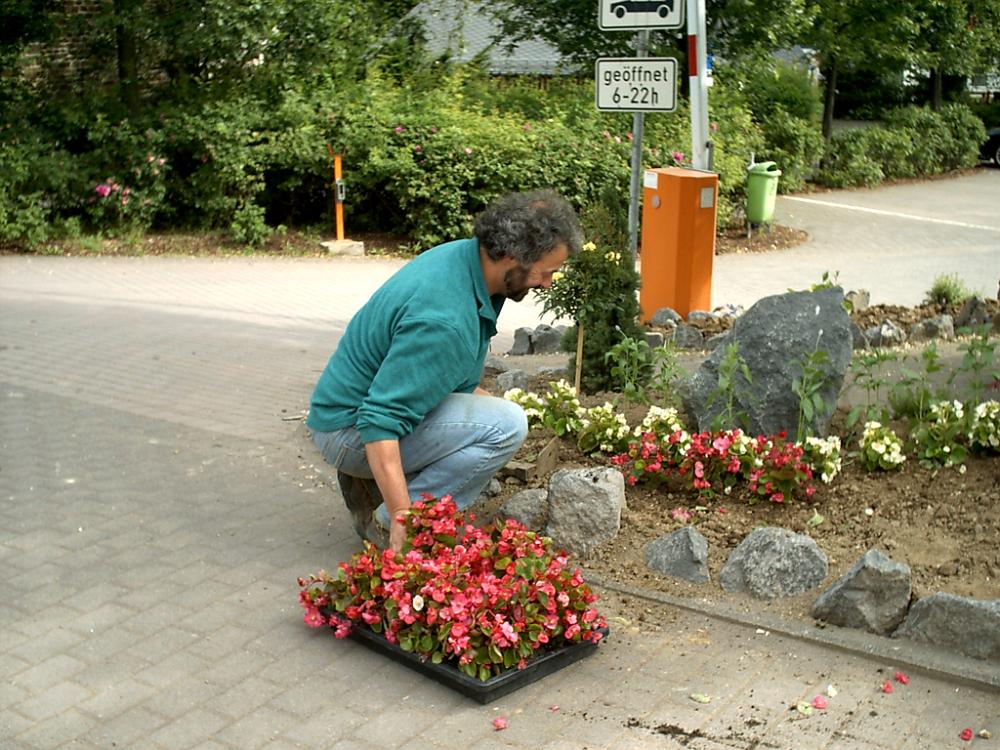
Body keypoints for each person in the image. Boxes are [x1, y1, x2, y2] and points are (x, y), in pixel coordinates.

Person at [307, 189, 583, 551]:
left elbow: (457, 381)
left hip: (350, 411)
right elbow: (379, 421)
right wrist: (402, 520)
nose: (547, 284)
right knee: (507, 427)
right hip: (350, 430)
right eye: (546, 273)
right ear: (513, 256)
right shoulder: (445, 319)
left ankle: (374, 484)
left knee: (496, 418)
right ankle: (391, 519)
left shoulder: (471, 265)